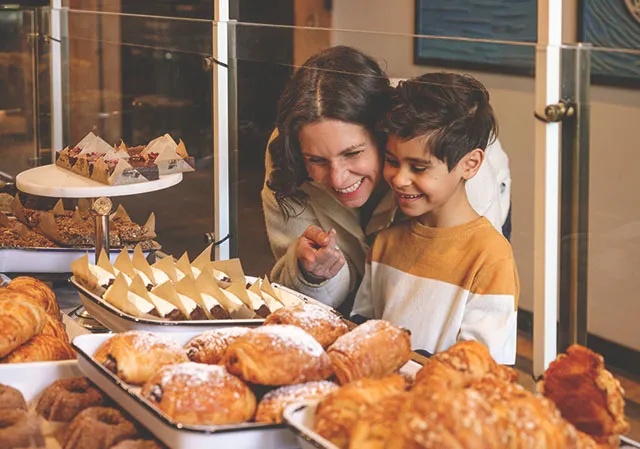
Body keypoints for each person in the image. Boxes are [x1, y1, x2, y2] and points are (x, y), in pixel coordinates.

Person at [262, 45, 511, 314]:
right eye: (317, 160)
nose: (338, 179)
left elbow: (471, 297)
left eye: (353, 153)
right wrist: (313, 274)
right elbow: (308, 303)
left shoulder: (457, 169)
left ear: (385, 135)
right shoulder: (286, 157)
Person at [351, 73, 519, 364]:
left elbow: (483, 369)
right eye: (392, 161)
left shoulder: (491, 257)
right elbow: (361, 333)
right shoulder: (385, 242)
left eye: (418, 167)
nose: (400, 179)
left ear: (470, 164)